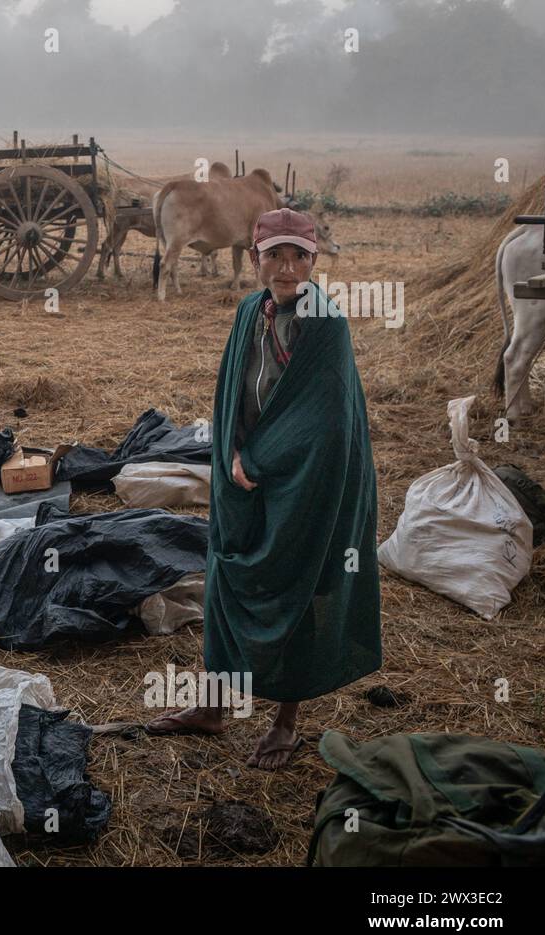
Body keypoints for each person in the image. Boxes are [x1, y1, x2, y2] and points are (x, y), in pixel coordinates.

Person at [145, 208, 381, 770]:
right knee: (228, 575)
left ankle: (285, 721)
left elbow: (321, 419)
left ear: (314, 261)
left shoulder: (325, 323)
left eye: (298, 255)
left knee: (295, 583)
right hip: (243, 474)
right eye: (274, 254)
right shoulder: (251, 310)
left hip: (310, 479)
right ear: (255, 260)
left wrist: (257, 457)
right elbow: (231, 388)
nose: (286, 266)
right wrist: (229, 450)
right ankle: (213, 704)